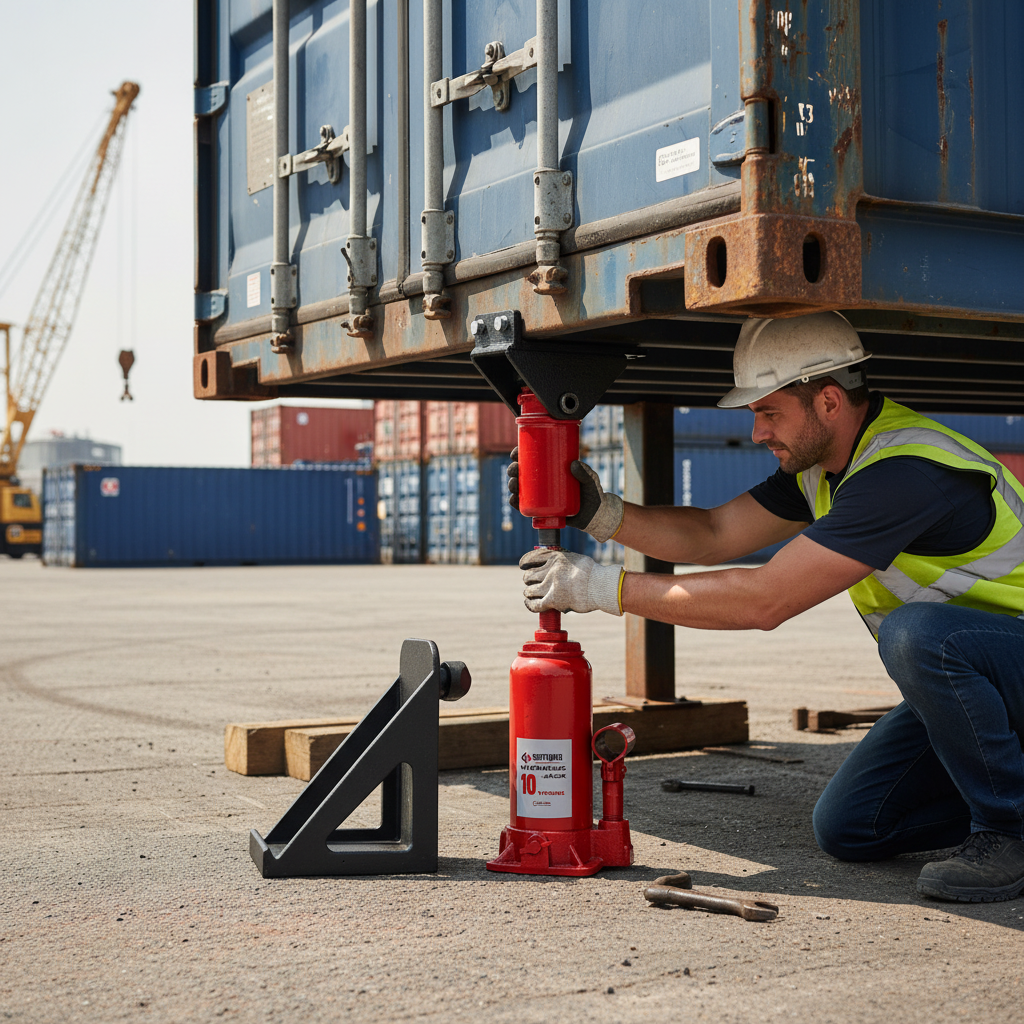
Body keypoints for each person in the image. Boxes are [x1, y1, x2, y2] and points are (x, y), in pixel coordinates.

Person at [511, 311, 1024, 903]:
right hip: (987, 684)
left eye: (769, 411)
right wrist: (601, 514)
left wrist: (604, 589)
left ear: (829, 401)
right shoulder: (827, 470)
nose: (757, 433)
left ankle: (1006, 831)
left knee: (916, 634)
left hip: (997, 666)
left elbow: (765, 599)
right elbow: (712, 533)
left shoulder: (905, 473)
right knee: (851, 826)